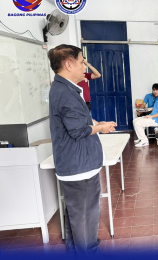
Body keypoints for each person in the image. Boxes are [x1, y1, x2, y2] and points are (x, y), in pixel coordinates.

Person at [47, 44, 117, 255]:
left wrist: (97, 123)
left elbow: (79, 121)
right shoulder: (65, 92)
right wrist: (101, 127)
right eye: (81, 62)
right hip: (79, 166)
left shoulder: (64, 88)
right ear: (68, 64)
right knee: (86, 213)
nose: (83, 66)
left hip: (76, 163)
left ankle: (75, 250)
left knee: (76, 211)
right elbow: (78, 131)